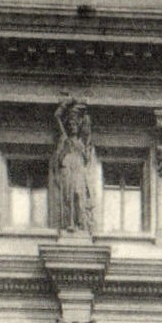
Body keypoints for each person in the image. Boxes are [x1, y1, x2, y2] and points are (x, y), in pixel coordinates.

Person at [53, 99, 97, 232]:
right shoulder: (65, 139)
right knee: (68, 197)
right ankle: (69, 224)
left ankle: (81, 223)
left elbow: (87, 127)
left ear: (78, 126)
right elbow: (57, 116)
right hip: (67, 168)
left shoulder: (82, 141)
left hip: (78, 169)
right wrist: (65, 104)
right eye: (70, 124)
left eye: (74, 124)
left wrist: (82, 105)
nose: (72, 126)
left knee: (79, 195)